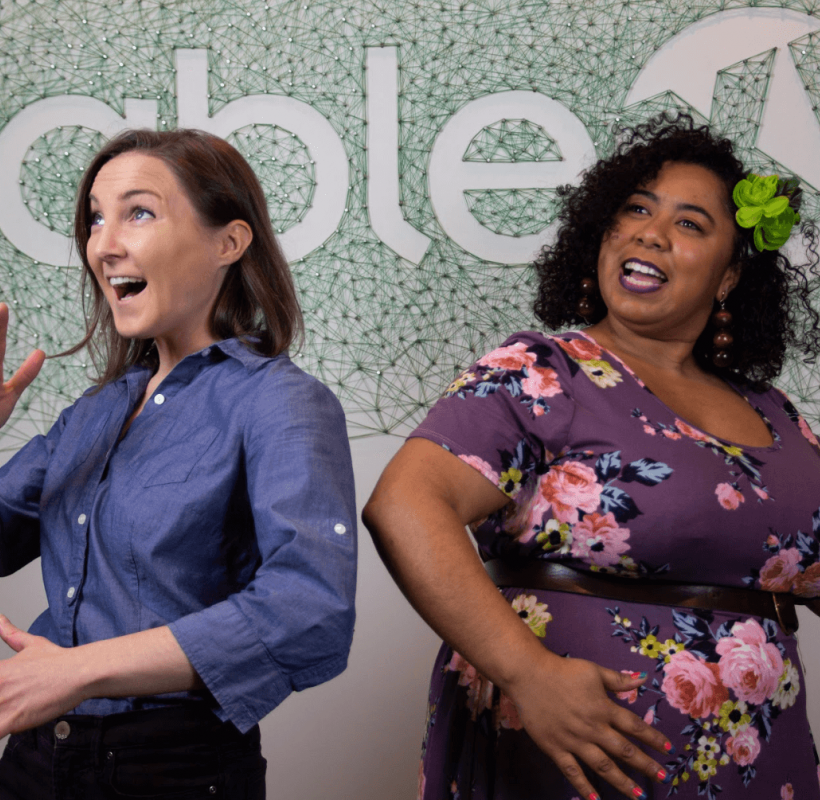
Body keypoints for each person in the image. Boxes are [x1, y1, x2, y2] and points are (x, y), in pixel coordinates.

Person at [363, 114, 820, 800]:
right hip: (572, 763)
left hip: (758, 769)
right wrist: (528, 673)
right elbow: (404, 504)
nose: (649, 233)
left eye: (689, 223)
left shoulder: (776, 415)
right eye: (635, 209)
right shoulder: (545, 373)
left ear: (728, 276)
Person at [0, 128, 356, 798]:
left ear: (229, 243)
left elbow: (311, 610)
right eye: (96, 219)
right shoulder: (94, 412)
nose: (104, 245)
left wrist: (79, 670)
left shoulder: (278, 401)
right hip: (32, 762)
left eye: (138, 212)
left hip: (171, 772)